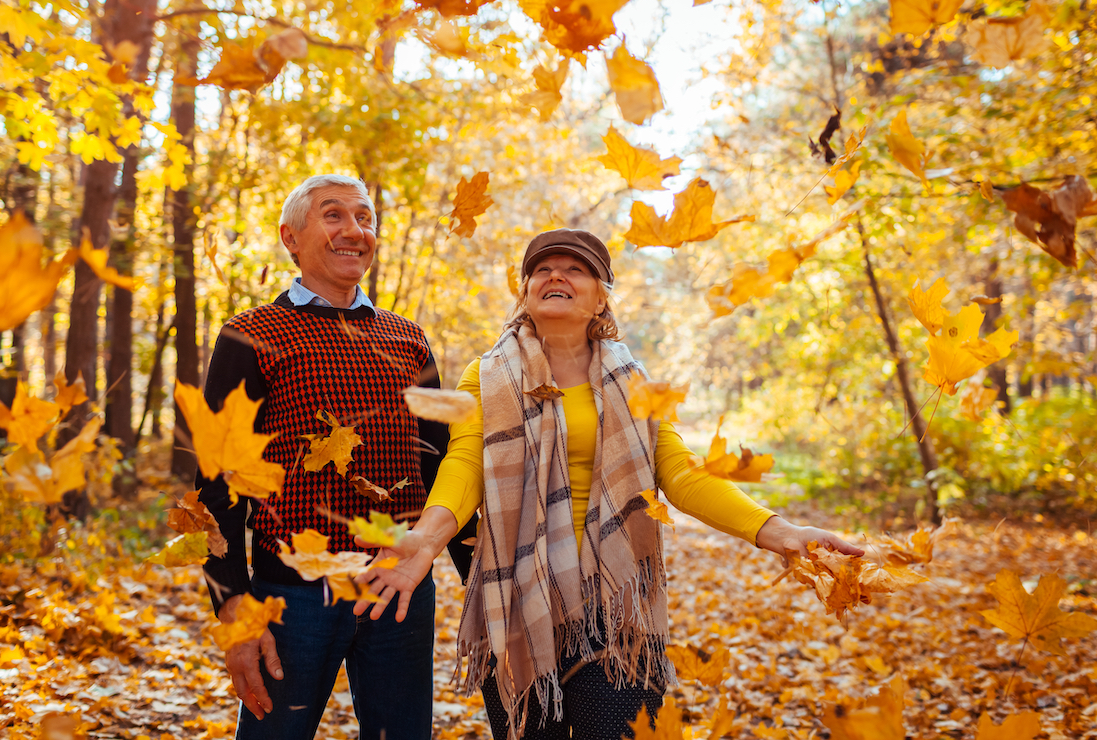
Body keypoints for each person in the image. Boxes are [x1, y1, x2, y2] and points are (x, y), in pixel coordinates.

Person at [354, 228, 864, 740]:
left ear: (601, 296)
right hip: (518, 597)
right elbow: (464, 466)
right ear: (525, 290)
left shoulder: (631, 381)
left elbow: (681, 475)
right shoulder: (486, 376)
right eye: (542, 268)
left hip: (614, 601)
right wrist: (426, 536)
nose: (556, 275)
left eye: (575, 268)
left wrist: (778, 531)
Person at [197, 174, 474, 740]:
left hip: (398, 591)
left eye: (365, 217)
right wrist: (234, 608)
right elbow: (214, 483)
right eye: (333, 215)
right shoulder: (250, 336)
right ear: (290, 237)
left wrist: (482, 588)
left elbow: (442, 472)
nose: (355, 230)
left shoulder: (409, 340)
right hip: (293, 598)